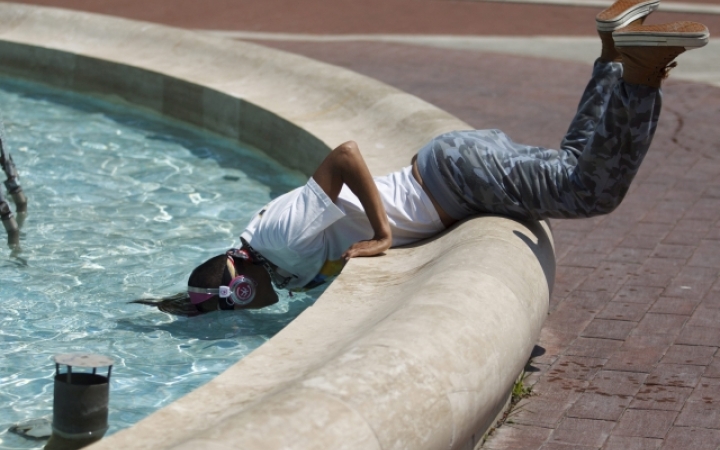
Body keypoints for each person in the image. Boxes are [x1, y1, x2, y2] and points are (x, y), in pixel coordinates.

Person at [135, 0, 709, 315]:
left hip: (456, 179)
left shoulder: (278, 238)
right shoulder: (278, 259)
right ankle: (615, 51)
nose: (245, 311)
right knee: (575, 164)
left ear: (238, 283)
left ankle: (642, 71)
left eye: (234, 306)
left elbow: (344, 155)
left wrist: (384, 233)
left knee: (591, 191)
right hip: (451, 172)